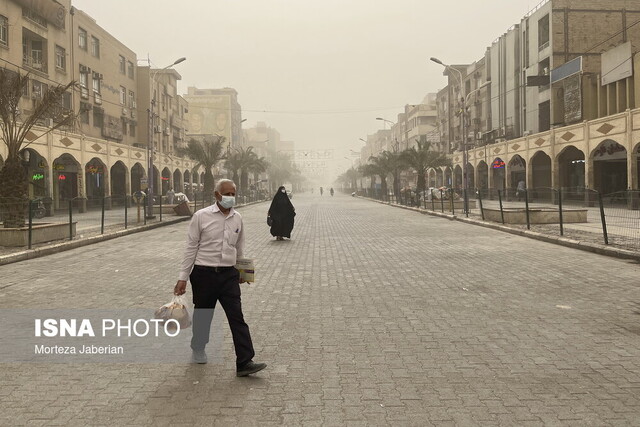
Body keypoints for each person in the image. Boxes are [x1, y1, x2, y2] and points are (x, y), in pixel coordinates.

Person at [174, 179, 266, 377]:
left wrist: (244, 272)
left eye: (233, 193)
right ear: (217, 195)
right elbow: (191, 247)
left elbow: (240, 247)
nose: (230, 197)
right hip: (203, 274)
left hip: (228, 276)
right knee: (203, 315)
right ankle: (198, 347)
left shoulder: (237, 218)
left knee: (237, 317)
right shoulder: (201, 216)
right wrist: (182, 277)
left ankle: (245, 361)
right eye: (227, 194)